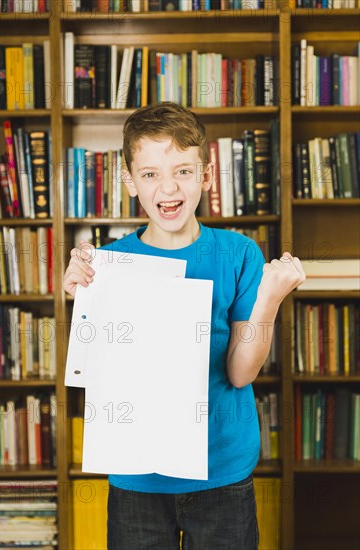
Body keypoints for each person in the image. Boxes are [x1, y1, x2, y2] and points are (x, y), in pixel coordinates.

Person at [63, 101, 305, 550]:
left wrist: (267, 303)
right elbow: (98, 369)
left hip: (221, 473)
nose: (168, 187)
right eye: (151, 174)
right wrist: (84, 298)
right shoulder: (110, 262)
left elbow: (240, 373)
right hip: (137, 476)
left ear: (206, 176)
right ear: (130, 180)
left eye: (183, 171)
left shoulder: (239, 254)